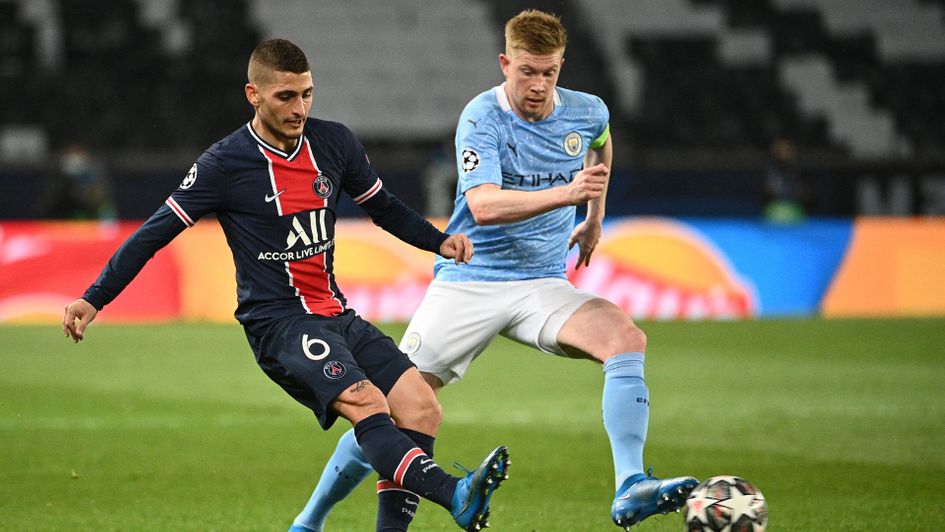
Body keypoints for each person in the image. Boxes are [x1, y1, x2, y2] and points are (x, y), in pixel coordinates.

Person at [61, 38, 510, 532]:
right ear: (253, 94)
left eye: (307, 94)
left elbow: (382, 206)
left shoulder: (334, 142)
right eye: (286, 97)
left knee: (421, 407)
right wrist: (94, 296)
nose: (300, 108)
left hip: (335, 313)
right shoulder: (225, 163)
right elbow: (154, 233)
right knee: (368, 402)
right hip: (278, 323)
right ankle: (455, 494)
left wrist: (437, 241)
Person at [293, 10, 697, 532]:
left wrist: (594, 219)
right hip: (471, 282)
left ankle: (629, 484)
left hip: (543, 284)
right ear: (505, 63)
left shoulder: (586, 110)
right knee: (394, 410)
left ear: (561, 67)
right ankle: (310, 520)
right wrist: (571, 194)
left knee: (624, 336)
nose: (538, 84)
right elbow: (483, 206)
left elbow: (601, 141)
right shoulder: (482, 117)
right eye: (527, 71)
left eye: (549, 73)